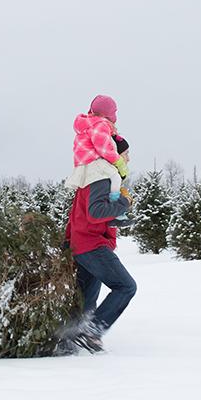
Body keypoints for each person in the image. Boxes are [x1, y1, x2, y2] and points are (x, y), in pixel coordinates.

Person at [64, 134, 137, 351]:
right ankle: (91, 332)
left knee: (85, 302)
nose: (128, 158)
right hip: (91, 245)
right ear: (115, 154)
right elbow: (96, 213)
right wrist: (124, 203)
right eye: (126, 153)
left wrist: (121, 217)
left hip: (82, 243)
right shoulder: (101, 176)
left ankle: (68, 341)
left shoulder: (95, 175)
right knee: (126, 286)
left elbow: (87, 214)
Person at [73, 94, 128, 193]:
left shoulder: (88, 125)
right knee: (116, 178)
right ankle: (114, 199)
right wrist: (119, 162)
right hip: (94, 161)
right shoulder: (100, 125)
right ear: (108, 114)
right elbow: (104, 149)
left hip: (84, 163)